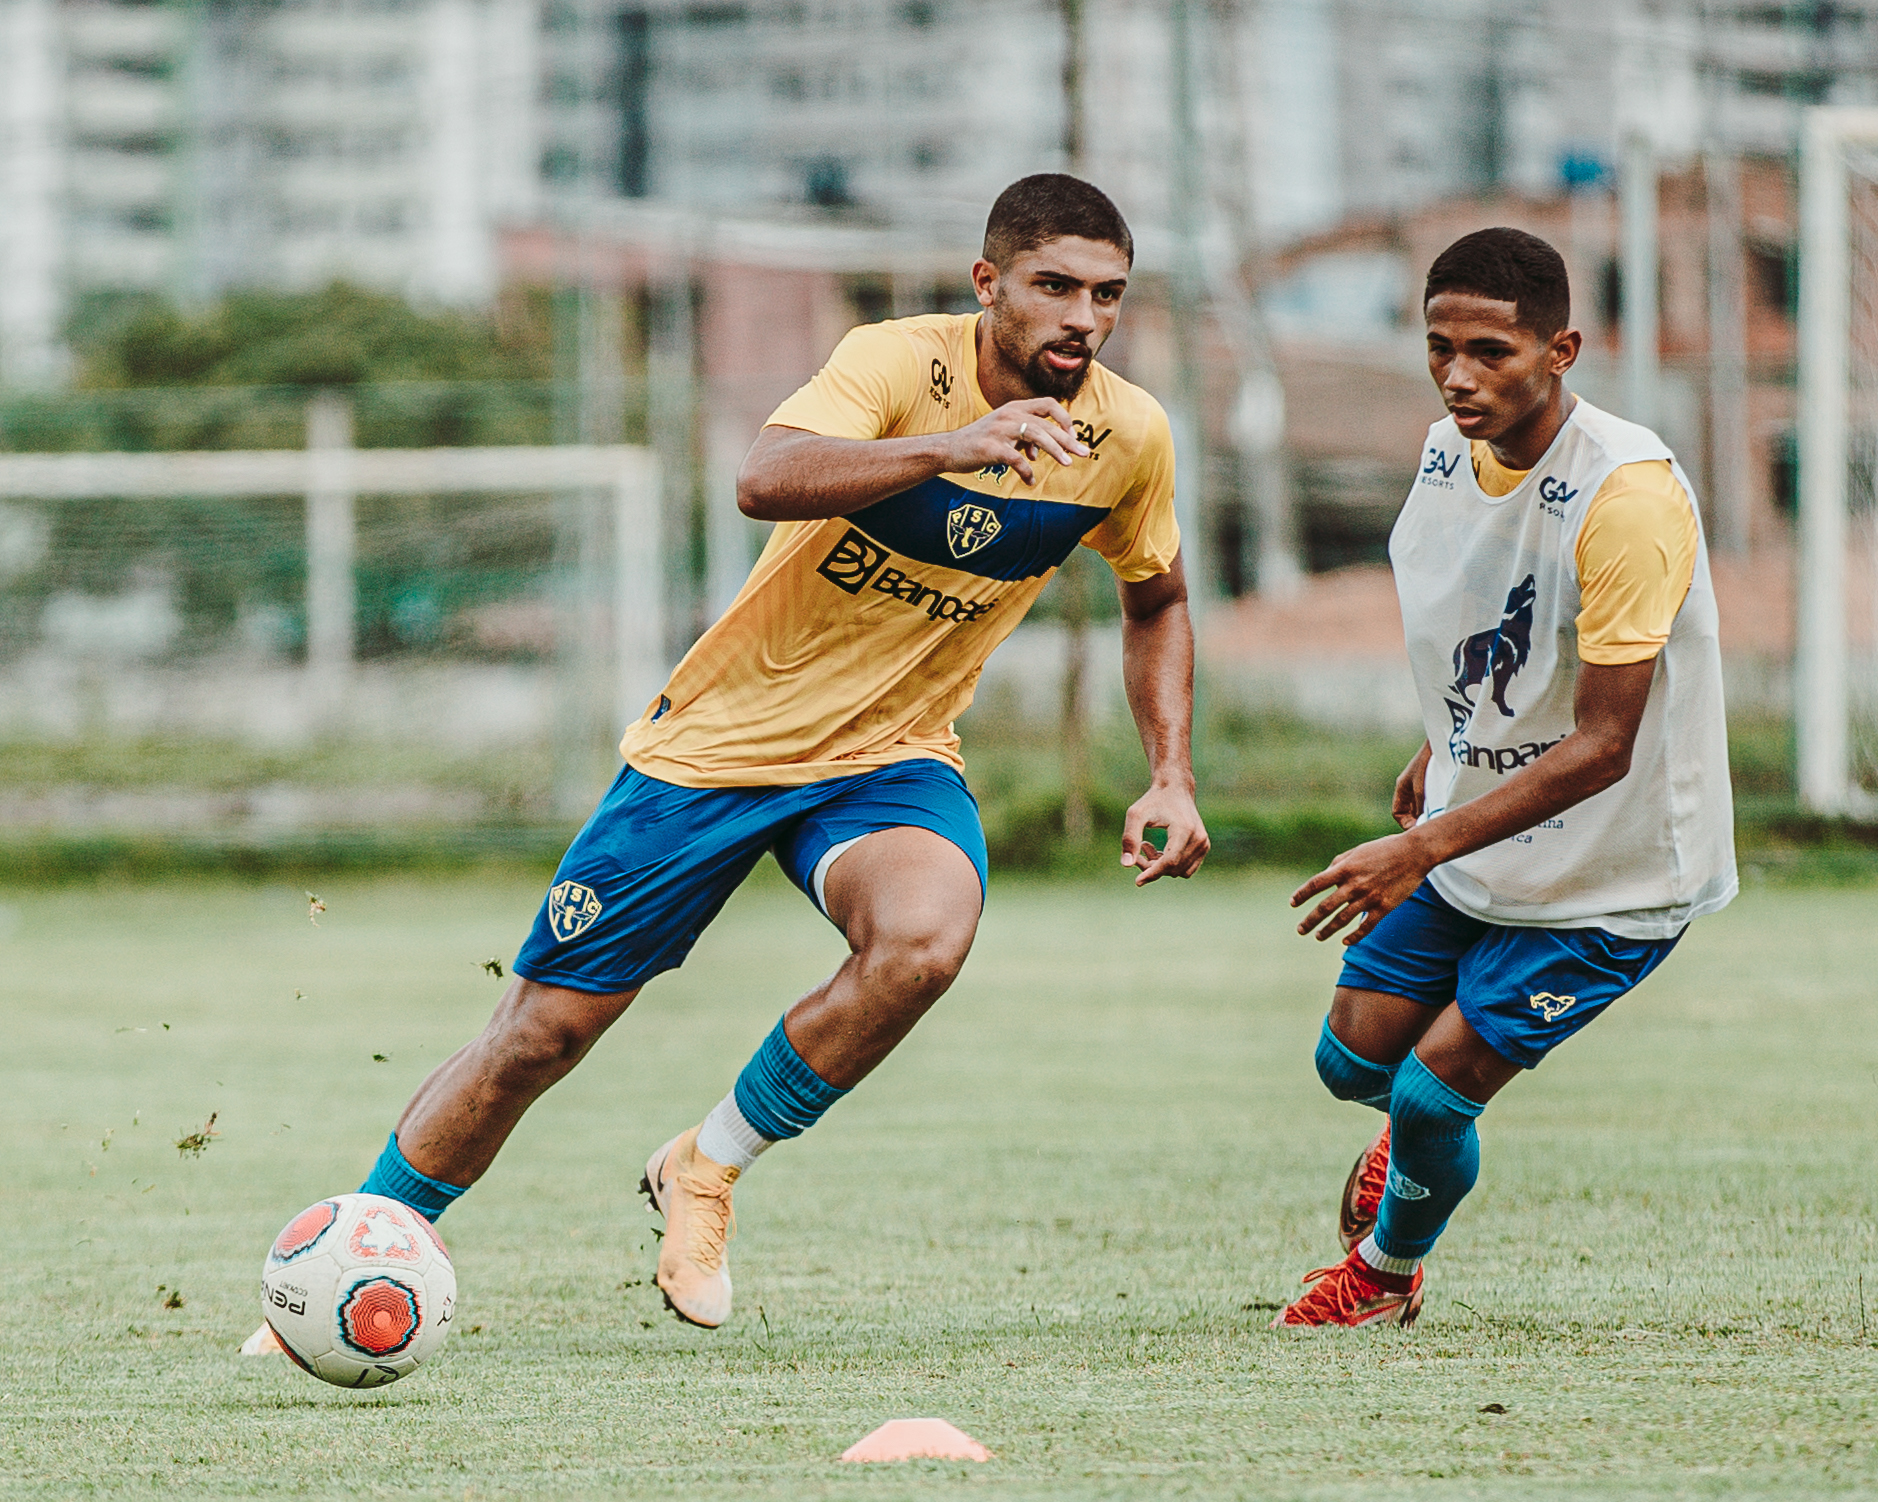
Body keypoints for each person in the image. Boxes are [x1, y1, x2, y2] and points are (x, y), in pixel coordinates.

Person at [266, 173, 1207, 1339]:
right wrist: (955, 446)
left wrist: (1169, 768)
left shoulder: (1128, 436)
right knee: (540, 1036)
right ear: (989, 284)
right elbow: (764, 475)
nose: (1083, 317)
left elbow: (1157, 597)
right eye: (1055, 286)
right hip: (716, 748)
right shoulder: (892, 361)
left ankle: (706, 1165)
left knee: (922, 941)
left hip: (888, 754)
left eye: (1106, 295)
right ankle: (357, 1249)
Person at [1271, 226, 1735, 1328]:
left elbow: (1607, 739)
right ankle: (1423, 1139)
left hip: (1615, 871)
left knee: (1434, 1088)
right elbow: (1490, 620)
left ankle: (1382, 1276)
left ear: (1563, 347)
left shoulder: (1625, 495)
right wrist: (1447, 744)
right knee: (1353, 1058)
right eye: (1439, 347)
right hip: (1484, 821)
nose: (1459, 375)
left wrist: (1425, 840)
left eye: (1492, 350)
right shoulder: (1448, 449)